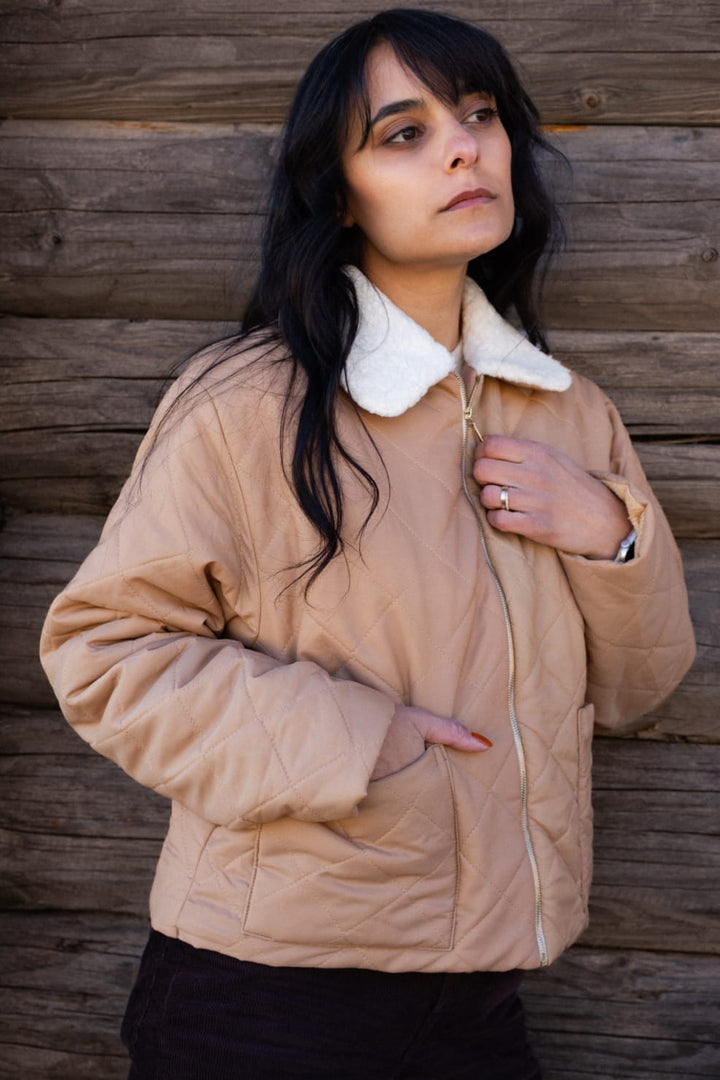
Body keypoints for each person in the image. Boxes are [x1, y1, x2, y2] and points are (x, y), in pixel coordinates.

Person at [40, 9, 696, 1079]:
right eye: (404, 132)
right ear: (339, 192)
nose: (462, 146)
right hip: (268, 998)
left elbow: (637, 685)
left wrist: (609, 534)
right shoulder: (250, 404)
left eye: (480, 116)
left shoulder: (572, 417)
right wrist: (358, 738)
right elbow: (103, 654)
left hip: (485, 994)